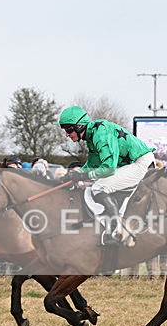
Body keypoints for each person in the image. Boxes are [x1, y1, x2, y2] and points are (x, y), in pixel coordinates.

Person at [58, 105, 156, 245]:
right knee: (97, 187)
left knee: (99, 187)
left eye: (68, 130)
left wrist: (83, 176)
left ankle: (117, 231)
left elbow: (109, 169)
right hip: (132, 164)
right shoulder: (93, 135)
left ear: (79, 126)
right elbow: (93, 165)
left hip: (142, 164)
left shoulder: (100, 133)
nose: (67, 134)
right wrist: (75, 173)